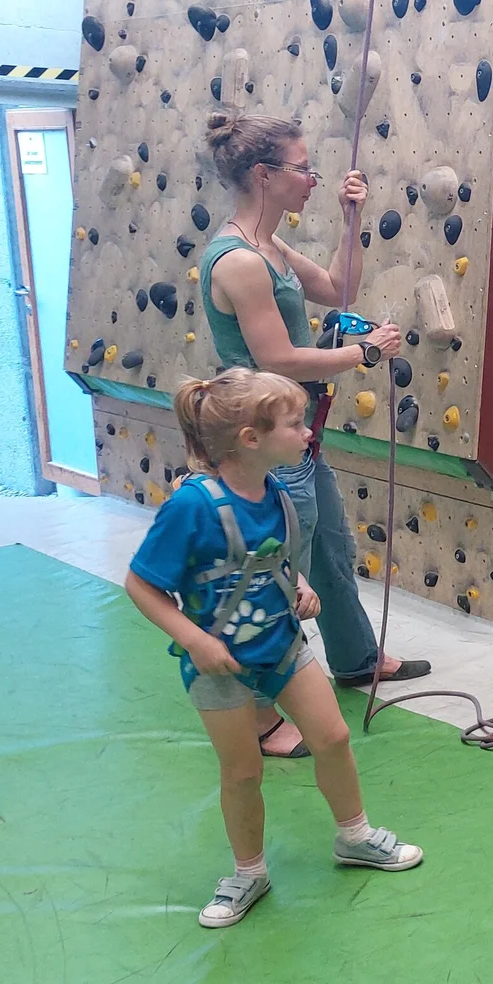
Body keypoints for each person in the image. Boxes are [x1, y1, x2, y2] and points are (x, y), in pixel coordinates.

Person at [126, 370, 423, 928]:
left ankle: (354, 835)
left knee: (333, 737)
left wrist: (302, 586)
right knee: (242, 772)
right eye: (294, 423)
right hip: (220, 665)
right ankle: (249, 872)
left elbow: (275, 562)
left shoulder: (279, 496)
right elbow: (141, 585)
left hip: (283, 645)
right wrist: (194, 639)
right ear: (250, 439)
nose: (308, 433)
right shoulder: (192, 507)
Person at [199, 113, 429, 759]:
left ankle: (355, 658)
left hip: (292, 437)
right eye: (303, 169)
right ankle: (259, 714)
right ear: (263, 175)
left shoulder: (269, 247)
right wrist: (364, 353)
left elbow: (338, 287)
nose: (312, 179)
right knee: (276, 576)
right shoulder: (240, 261)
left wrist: (352, 221)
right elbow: (277, 358)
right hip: (262, 445)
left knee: (328, 547)